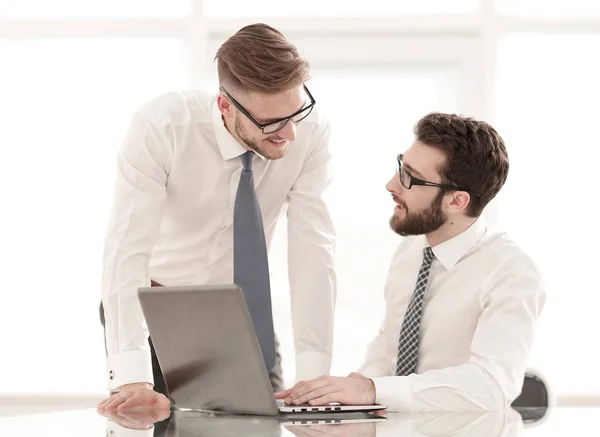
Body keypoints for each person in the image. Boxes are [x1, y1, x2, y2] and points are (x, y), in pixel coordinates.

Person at [97, 23, 336, 412]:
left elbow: (314, 252)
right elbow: (126, 250)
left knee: (264, 422)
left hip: (241, 311)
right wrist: (132, 377)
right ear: (225, 105)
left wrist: (313, 373)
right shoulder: (163, 129)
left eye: (297, 114)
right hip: (156, 307)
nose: (290, 134)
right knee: (158, 420)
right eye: (271, 123)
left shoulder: (309, 134)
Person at [276, 112, 546, 411]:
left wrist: (370, 390)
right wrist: (341, 392)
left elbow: (491, 387)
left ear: (457, 201)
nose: (392, 184)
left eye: (410, 177)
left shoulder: (511, 272)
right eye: (400, 168)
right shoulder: (411, 252)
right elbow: (389, 348)